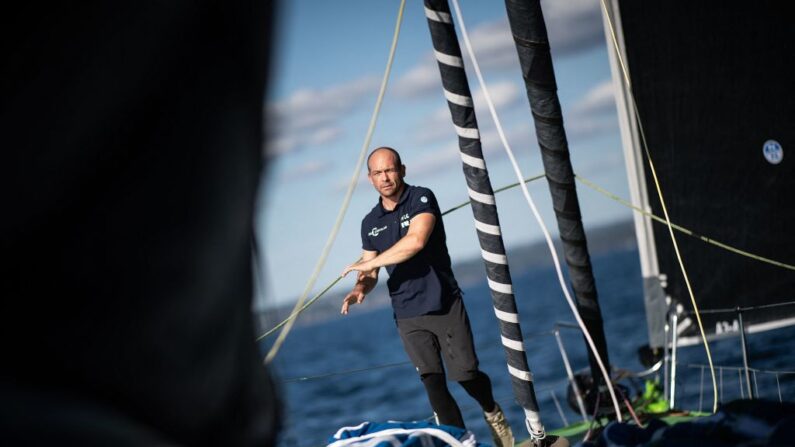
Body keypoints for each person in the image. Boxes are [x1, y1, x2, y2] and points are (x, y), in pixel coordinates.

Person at [340, 147, 514, 447]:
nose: (385, 177)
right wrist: (360, 288)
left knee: (466, 375)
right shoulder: (370, 222)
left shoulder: (421, 197)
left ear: (402, 170)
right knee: (433, 384)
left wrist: (369, 263)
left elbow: (416, 241)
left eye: (390, 170)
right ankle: (461, 443)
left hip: (444, 303)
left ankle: (491, 411)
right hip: (408, 314)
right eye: (378, 173)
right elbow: (368, 271)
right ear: (370, 179)